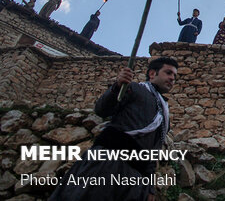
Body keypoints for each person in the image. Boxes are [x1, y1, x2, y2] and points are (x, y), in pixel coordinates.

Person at [48, 57, 179, 201]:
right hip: (107, 164)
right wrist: (117, 87)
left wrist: (149, 187)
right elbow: (102, 109)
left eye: (174, 76)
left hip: (134, 180)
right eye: (168, 73)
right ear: (153, 74)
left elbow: (153, 152)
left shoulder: (164, 114)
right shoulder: (134, 88)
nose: (172, 78)